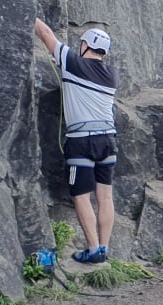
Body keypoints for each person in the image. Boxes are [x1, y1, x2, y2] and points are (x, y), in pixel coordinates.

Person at [35, 19, 117, 264]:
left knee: (81, 196)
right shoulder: (111, 74)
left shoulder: (73, 62)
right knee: (105, 196)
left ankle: (92, 251)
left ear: (86, 45)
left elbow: (45, 33)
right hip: (108, 140)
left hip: (82, 141)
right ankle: (104, 247)